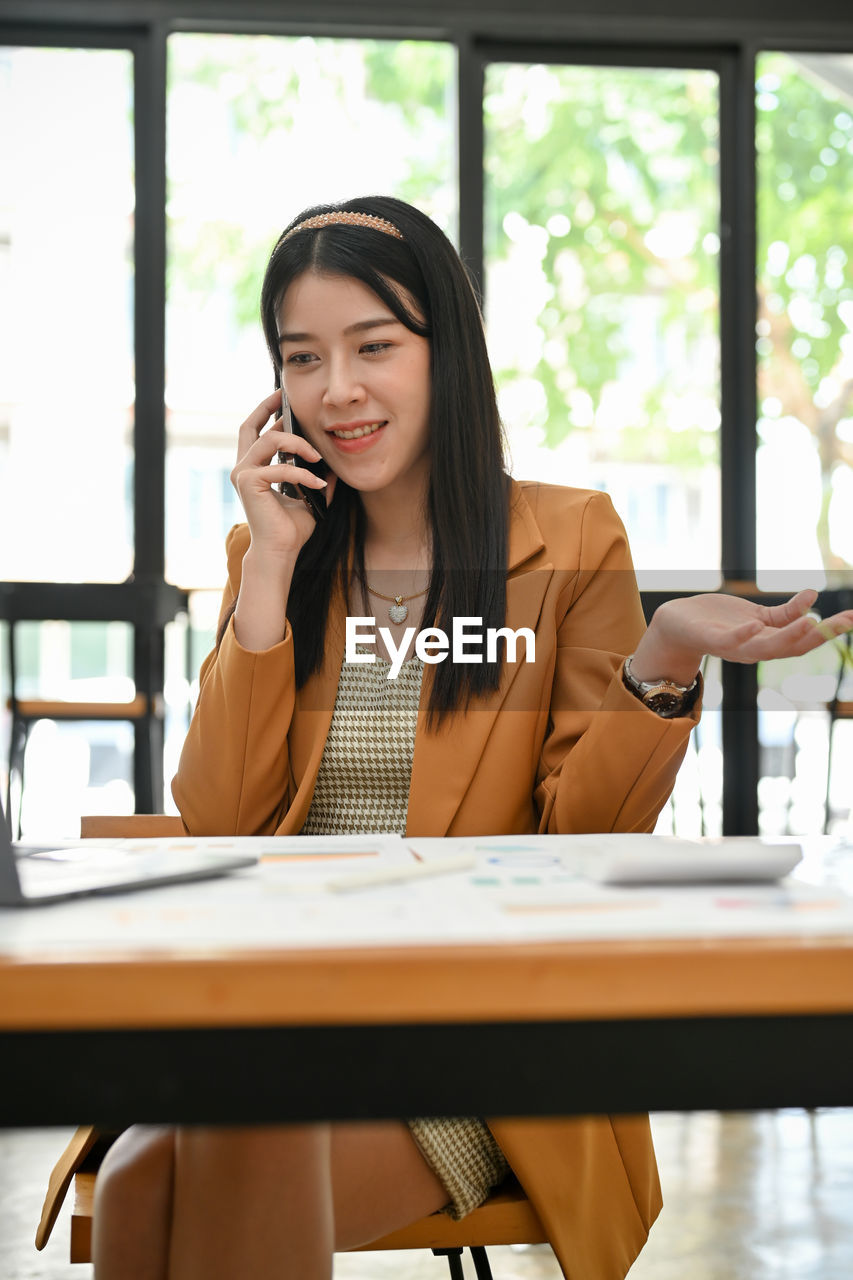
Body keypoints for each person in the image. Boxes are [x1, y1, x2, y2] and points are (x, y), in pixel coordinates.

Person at [80, 196, 852, 1279]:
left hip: (474, 1028)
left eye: (374, 346)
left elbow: (578, 843)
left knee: (228, 1140)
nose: (336, 387)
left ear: (447, 351)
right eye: (303, 357)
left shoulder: (569, 538)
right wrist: (267, 569)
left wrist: (662, 657)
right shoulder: (275, 555)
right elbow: (218, 819)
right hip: (277, 1005)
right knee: (139, 1176)